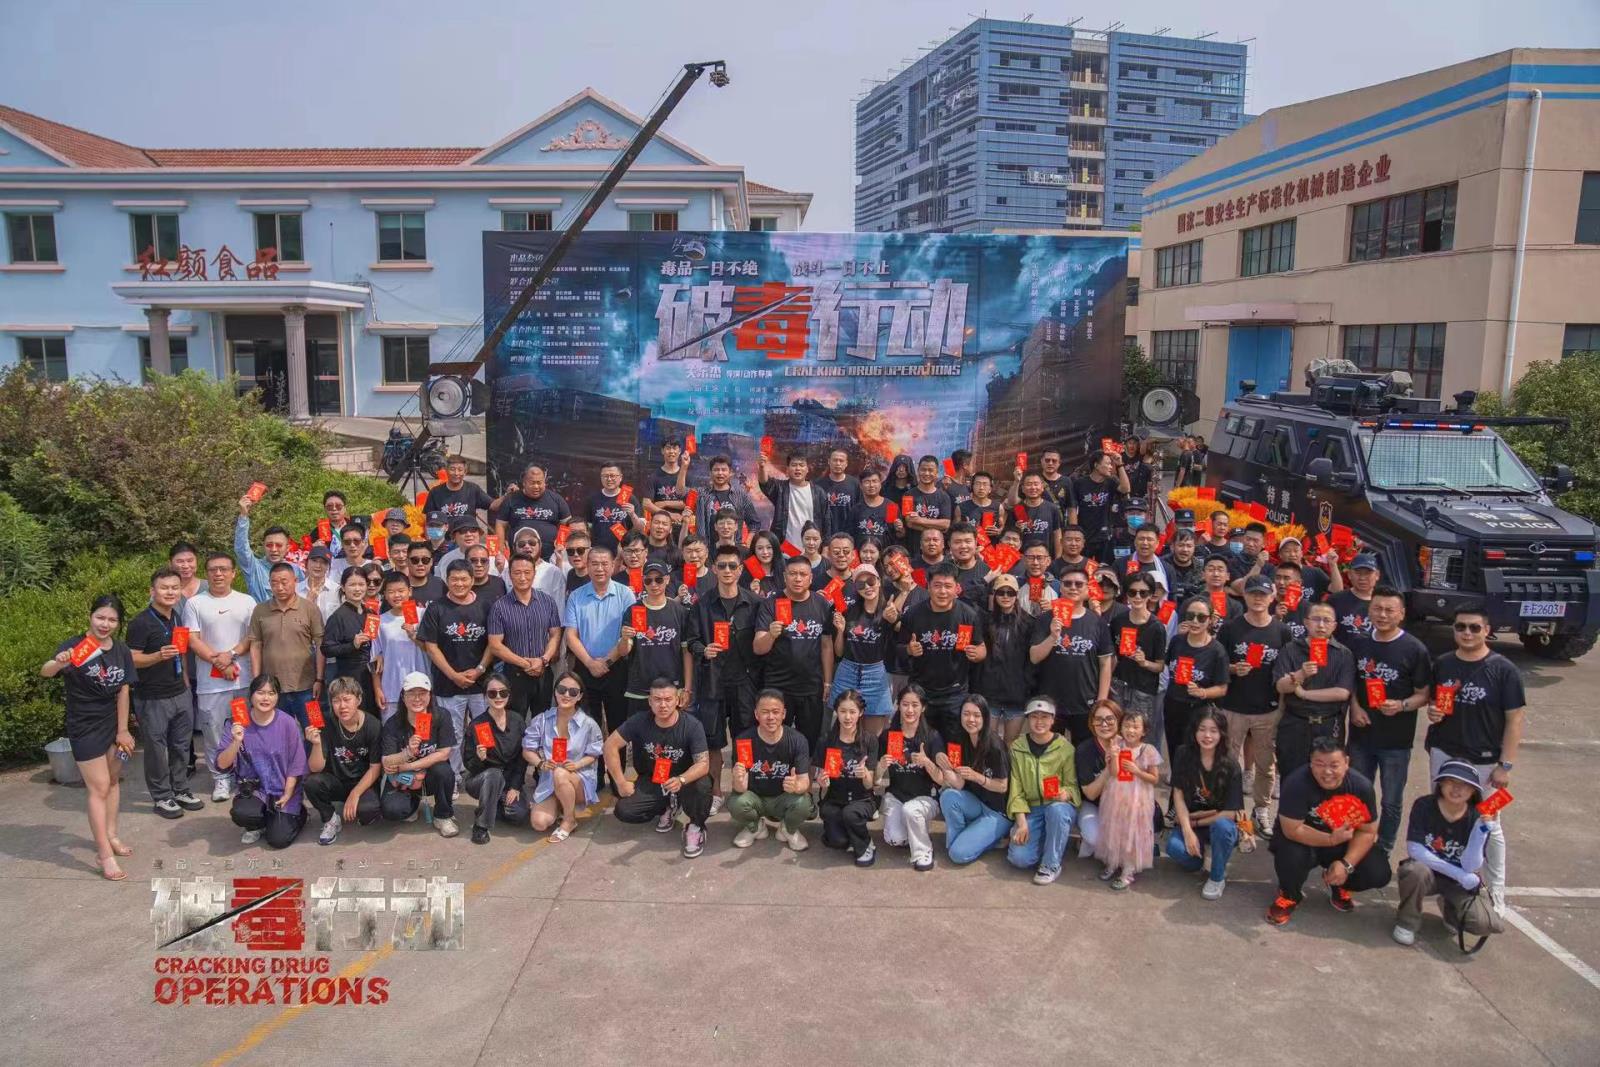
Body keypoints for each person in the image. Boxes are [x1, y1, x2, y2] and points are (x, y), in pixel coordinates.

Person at [1423, 604, 1524, 914]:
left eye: (1474, 627)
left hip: (1486, 762)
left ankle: (1496, 890)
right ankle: (1447, 881)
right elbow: (1436, 703)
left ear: (1487, 630)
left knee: (1489, 824)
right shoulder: (1443, 664)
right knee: (1444, 817)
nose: (1467, 633)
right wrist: (1433, 712)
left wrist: (1505, 765)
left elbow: (1515, 720)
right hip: (1445, 755)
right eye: (1460, 627)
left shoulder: (1504, 670)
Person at [43, 594, 137, 879]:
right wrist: (60, 662)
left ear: (118, 623)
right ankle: (104, 855)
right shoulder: (75, 646)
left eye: (112, 620)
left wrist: (123, 729)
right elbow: (46, 672)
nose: (105, 624)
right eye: (100, 617)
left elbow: (123, 690)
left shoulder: (121, 650)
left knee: (113, 780)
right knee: (98, 787)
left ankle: (111, 835)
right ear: (90, 616)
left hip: (113, 724)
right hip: (84, 725)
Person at [1267, 738, 1392, 926]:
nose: (1327, 772)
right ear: (1310, 763)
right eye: (1319, 764)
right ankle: (1289, 895)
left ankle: (1340, 884)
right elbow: (1292, 830)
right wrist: (1330, 839)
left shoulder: (1361, 787)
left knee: (1378, 872)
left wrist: (1346, 864)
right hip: (1304, 841)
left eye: (1334, 765)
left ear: (1346, 762)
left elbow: (1367, 831)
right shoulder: (1296, 783)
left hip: (1342, 843)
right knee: (1289, 853)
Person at [1347, 586, 1433, 856]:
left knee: (1391, 800)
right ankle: (1354, 844)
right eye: (1377, 609)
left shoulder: (1415, 649)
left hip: (1396, 741)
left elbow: (1424, 694)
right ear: (1369, 610)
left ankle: (1383, 849)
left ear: (1401, 614)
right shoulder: (1359, 644)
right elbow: (1351, 684)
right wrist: (1355, 708)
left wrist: (1401, 705)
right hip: (1360, 736)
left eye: (1389, 610)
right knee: (1357, 795)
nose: (1382, 615)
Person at [686, 543, 763, 813]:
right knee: (713, 740)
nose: (727, 570)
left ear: (741, 570)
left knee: (745, 738)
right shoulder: (702, 604)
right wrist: (703, 650)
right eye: (722, 566)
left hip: (745, 682)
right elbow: (692, 641)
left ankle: (745, 787)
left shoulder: (754, 603)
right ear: (714, 569)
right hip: (712, 681)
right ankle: (716, 790)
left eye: (732, 566)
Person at [1394, 760, 1504, 946]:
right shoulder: (1424, 805)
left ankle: (1450, 909)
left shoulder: (1478, 816)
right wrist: (1459, 874)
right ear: (1441, 783)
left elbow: (1471, 866)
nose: (1456, 789)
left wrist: (1480, 832)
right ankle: (1407, 922)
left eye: (1465, 785)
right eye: (1451, 781)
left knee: (1484, 923)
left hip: (1458, 884)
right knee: (1414, 871)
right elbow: (1415, 849)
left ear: (1473, 791)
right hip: (1428, 874)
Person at [604, 677, 714, 858]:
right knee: (624, 811)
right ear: (650, 701)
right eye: (657, 699)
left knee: (703, 785)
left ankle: (696, 826)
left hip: (685, 781)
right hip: (654, 779)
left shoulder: (692, 725)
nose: (663, 705)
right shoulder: (639, 721)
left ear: (677, 700)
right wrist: (621, 782)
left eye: (668, 699)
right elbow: (610, 745)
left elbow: (703, 764)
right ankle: (667, 806)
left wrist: (681, 779)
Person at [125, 565, 199, 819]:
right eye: (164, 588)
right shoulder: (140, 622)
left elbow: (181, 652)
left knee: (181, 745)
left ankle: (180, 789)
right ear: (152, 591)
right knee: (156, 749)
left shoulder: (177, 617)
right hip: (152, 697)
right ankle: (161, 796)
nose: (170, 592)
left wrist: (186, 682)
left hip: (179, 691)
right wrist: (157, 656)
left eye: (175, 588)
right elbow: (131, 659)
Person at [183, 552, 256, 801]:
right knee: (213, 731)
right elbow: (193, 639)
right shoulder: (195, 603)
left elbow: (252, 636)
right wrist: (218, 661)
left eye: (224, 569)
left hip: (242, 682)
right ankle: (221, 778)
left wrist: (231, 655)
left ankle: (243, 774)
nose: (218, 574)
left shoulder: (246, 601)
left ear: (233, 573)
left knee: (243, 728)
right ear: (207, 573)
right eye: (213, 569)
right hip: (210, 685)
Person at [1218, 574, 1290, 828]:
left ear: (1272, 598)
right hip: (1233, 707)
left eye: (1263, 594)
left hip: (1268, 709)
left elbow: (1286, 669)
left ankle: (1261, 809)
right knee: (1227, 761)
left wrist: (1282, 705)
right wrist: (1233, 669)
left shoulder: (1282, 631)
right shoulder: (1230, 628)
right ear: (1244, 596)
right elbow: (1217, 662)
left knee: (1266, 764)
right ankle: (1227, 807)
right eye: (1253, 593)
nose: (1258, 598)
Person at [418, 559, 493, 779]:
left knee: (484, 730)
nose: (459, 584)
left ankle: (487, 772)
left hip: (481, 683)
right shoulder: (436, 608)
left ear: (472, 580)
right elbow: (431, 647)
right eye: (454, 579)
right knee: (453, 733)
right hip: (447, 684)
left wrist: (480, 669)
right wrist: (453, 675)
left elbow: (494, 642)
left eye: (464, 579)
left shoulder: (486, 606)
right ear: (446, 580)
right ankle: (454, 776)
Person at [563, 544, 636, 771]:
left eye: (605, 564)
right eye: (594, 563)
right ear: (587, 565)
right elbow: (571, 635)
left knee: (617, 725)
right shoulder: (576, 596)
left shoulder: (626, 594)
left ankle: (616, 776)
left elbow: (628, 634)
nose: (600, 568)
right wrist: (590, 663)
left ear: (613, 566)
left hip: (617, 667)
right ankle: (592, 777)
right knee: (588, 725)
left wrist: (606, 661)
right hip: (585, 668)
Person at [753, 554, 836, 748]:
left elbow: (826, 645)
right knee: (776, 739)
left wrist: (827, 681)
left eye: (803, 574)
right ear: (784, 576)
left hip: (811, 685)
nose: (798, 579)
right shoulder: (771, 603)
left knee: (809, 740)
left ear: (811, 578)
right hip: (778, 686)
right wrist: (771, 635)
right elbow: (758, 648)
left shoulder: (821, 603)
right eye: (792, 574)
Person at [217, 674, 308, 849]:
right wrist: (236, 741)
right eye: (260, 692)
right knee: (242, 813)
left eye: (271, 693)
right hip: (255, 790)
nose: (266, 698)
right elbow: (221, 764)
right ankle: (257, 824)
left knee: (278, 840)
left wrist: (288, 793)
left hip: (283, 791)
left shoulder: (288, 723)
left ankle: (298, 814)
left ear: (278, 697)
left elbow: (296, 764)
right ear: (251, 695)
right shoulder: (236, 723)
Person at [1028, 565, 1113, 743]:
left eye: (1079, 584)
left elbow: (1105, 663)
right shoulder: (1045, 619)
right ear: (1061, 587)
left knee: (1084, 751)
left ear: (1087, 588)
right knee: (1050, 752)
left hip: (1085, 701)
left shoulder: (1096, 622)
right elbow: (1034, 657)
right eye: (1067, 583)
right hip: (1050, 702)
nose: (1073, 588)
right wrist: (1053, 637)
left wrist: (1101, 701)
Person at [900, 563, 987, 738]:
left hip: (955, 693)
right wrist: (909, 649)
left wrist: (978, 654)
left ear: (956, 588)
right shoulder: (913, 614)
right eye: (937, 586)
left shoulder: (968, 615)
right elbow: (898, 647)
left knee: (954, 743)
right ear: (928, 587)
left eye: (948, 586)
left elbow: (981, 647)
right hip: (921, 691)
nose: (942, 591)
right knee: (920, 740)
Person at [1166, 709, 1244, 900]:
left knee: (1223, 828)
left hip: (1218, 822)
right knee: (1174, 849)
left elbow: (1231, 813)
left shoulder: (1231, 764)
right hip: (1191, 820)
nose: (1207, 735)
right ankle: (1209, 856)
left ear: (1221, 734)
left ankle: (1217, 877)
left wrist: (1195, 823)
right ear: (1194, 731)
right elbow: (1178, 795)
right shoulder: (1183, 753)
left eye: (1213, 730)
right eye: (1202, 729)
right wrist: (1187, 831)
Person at [1272, 601, 1356, 779]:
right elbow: (1280, 685)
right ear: (1306, 622)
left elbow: (1342, 692)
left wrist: (1304, 694)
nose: (1321, 625)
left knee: (1327, 776)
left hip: (1329, 724)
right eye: (1316, 619)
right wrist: (1300, 674)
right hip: (1295, 723)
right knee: (1291, 776)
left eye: (1327, 620)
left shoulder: (1344, 654)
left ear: (1334, 625)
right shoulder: (1291, 649)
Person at [727, 690, 816, 851]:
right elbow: (739, 788)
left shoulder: (797, 740)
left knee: (804, 803)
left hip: (784, 797)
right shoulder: (744, 740)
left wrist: (797, 786)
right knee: (736, 802)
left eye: (775, 712)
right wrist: (738, 782)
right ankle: (755, 827)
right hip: (756, 797)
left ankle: (788, 829)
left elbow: (804, 780)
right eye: (765, 712)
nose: (770, 717)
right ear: (756, 714)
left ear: (784, 714)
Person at [522, 671, 605, 841]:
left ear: (579, 696)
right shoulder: (542, 720)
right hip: (550, 780)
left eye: (573, 692)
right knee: (539, 823)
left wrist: (577, 764)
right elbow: (527, 750)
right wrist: (540, 763)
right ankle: (561, 803)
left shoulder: (589, 724)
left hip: (580, 779)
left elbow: (594, 754)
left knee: (560, 773)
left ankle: (569, 820)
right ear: (555, 691)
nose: (566, 695)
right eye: (562, 689)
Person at [1005, 696, 1079, 884]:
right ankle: (1049, 838)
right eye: (1034, 716)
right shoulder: (1017, 748)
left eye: (1045, 717)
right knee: (1019, 859)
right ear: (1027, 719)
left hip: (1057, 807)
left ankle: (1051, 864)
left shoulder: (1065, 748)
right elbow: (1016, 790)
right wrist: (1022, 823)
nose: (1039, 722)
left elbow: (1073, 785)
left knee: (1056, 811)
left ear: (1053, 719)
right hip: (1032, 809)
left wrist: (1066, 793)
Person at [301, 676, 382, 845]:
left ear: (358, 699)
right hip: (336, 781)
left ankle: (357, 805)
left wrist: (355, 793)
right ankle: (330, 818)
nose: (342, 706)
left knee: (368, 811)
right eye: (336, 701)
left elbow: (375, 767)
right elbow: (315, 768)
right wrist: (316, 744)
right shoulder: (324, 722)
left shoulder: (373, 725)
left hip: (363, 781)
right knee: (311, 783)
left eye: (347, 699)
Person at [874, 684, 947, 871]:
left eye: (915, 705)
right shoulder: (888, 736)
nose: (910, 710)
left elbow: (942, 780)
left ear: (923, 708)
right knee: (894, 839)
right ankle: (917, 830)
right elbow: (874, 779)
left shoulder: (932, 736)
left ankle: (924, 851)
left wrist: (927, 762)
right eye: (905, 704)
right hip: (897, 795)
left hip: (926, 798)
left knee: (911, 810)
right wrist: (881, 766)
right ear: (898, 706)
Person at [378, 672, 459, 837]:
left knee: (444, 771)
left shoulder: (441, 716)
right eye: (411, 694)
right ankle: (412, 804)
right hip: (404, 779)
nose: (417, 699)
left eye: (422, 693)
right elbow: (387, 761)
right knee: (391, 810)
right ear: (403, 697)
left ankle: (443, 815)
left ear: (430, 695)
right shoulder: (393, 724)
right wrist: (407, 753)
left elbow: (444, 753)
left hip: (430, 775)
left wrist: (410, 766)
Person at [487, 552, 563, 718]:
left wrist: (543, 660)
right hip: (513, 674)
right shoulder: (499, 607)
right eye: (517, 573)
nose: (522, 577)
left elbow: (555, 634)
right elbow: (495, 645)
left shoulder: (548, 601)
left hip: (543, 671)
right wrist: (525, 664)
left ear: (534, 573)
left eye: (527, 572)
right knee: (514, 720)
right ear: (509, 575)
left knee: (543, 719)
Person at [248, 562, 324, 730]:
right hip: (273, 689)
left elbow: (320, 645)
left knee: (315, 729)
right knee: (277, 733)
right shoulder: (260, 610)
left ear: (295, 581)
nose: (280, 587)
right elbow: (255, 645)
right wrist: (257, 680)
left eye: (284, 582)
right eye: (274, 583)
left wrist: (319, 679)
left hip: (307, 687)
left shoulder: (310, 608)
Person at [938, 695, 1012, 865]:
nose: (971, 719)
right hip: (976, 803)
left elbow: (1003, 786)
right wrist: (944, 766)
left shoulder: (995, 745)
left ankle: (993, 836)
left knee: (958, 855)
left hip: (997, 811)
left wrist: (977, 777)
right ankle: (960, 840)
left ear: (985, 718)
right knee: (948, 795)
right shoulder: (959, 739)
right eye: (966, 714)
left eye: (976, 715)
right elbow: (959, 784)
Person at [1092, 709, 1161, 890]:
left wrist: (1137, 771)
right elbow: (1114, 773)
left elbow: (1155, 779)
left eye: (1135, 727)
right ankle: (1112, 863)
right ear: (1121, 728)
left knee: (1133, 832)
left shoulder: (1148, 750)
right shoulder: (1117, 745)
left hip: (1138, 800)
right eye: (1127, 726)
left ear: (1144, 731)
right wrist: (1114, 756)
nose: (1130, 730)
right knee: (1114, 829)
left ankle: (1128, 870)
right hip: (1115, 796)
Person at [1159, 596, 1231, 764]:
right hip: (1173, 705)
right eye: (1190, 616)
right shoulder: (1177, 641)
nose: (1195, 621)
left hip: (1198, 710)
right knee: (1175, 751)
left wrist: (1202, 692)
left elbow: (1222, 688)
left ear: (1211, 620)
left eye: (1201, 617)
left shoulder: (1217, 651)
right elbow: (1166, 664)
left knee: (1195, 755)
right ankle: (1176, 779)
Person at [830, 563, 898, 737]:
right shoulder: (849, 612)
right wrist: (840, 631)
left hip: (875, 673)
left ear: (879, 581)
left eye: (871, 581)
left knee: (873, 734)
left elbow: (898, 633)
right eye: (861, 584)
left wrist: (893, 620)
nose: (867, 587)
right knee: (844, 730)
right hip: (847, 670)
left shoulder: (888, 611)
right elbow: (839, 652)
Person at [619, 560, 693, 713]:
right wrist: (625, 638)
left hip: (671, 689)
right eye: (648, 580)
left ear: (667, 579)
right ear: (643, 581)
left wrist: (687, 688)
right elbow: (624, 651)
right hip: (640, 689)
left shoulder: (679, 611)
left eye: (658, 580)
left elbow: (686, 652)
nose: (653, 584)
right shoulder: (634, 610)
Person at [814, 691, 879, 865]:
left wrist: (865, 774)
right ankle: (850, 833)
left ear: (861, 713)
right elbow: (821, 778)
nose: (847, 717)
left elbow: (869, 784)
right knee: (837, 841)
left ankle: (865, 844)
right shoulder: (826, 740)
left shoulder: (869, 740)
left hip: (862, 799)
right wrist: (822, 781)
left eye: (852, 712)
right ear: (836, 711)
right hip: (835, 798)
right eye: (843, 711)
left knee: (851, 814)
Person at [461, 677, 529, 844]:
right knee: (493, 774)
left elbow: (522, 758)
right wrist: (479, 759)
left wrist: (515, 786)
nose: (498, 697)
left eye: (503, 693)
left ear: (509, 695)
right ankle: (481, 826)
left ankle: (491, 805)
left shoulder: (517, 720)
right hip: (480, 779)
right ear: (485, 696)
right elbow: (468, 764)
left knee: (518, 815)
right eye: (492, 693)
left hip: (509, 780)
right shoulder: (477, 725)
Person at [977, 574, 1032, 744]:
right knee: (989, 744)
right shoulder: (985, 621)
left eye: (1010, 593)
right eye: (1001, 592)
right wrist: (985, 579)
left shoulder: (1028, 622)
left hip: (1017, 694)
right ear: (994, 594)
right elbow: (965, 598)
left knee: (1011, 745)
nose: (1006, 597)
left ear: (1017, 595)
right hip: (989, 692)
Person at [1106, 574, 1166, 727]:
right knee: (1116, 728)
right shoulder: (1118, 621)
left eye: (1143, 593)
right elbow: (1112, 655)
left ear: (1151, 595)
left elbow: (1160, 666)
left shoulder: (1157, 627)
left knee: (1137, 731)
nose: (1137, 597)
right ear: (1126, 594)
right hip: (1118, 684)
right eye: (1132, 592)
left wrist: (1144, 662)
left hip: (1143, 689)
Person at [371, 571, 427, 721]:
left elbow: (433, 649)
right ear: (385, 595)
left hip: (421, 687)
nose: (396, 595)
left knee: (422, 729)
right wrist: (377, 689)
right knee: (392, 729)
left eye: (401, 591)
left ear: (410, 591)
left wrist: (414, 636)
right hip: (392, 688)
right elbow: (374, 659)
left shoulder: (423, 614)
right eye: (391, 592)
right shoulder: (379, 620)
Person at [320, 567, 376, 711]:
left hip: (372, 675)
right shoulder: (338, 616)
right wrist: (352, 645)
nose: (357, 589)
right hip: (350, 676)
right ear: (343, 588)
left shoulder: (371, 613)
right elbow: (326, 648)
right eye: (352, 585)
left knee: (373, 715)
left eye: (361, 584)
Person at [1073, 698, 1121, 859]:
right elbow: (1091, 794)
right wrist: (1108, 769)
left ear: (1119, 720)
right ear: (1092, 723)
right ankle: (1087, 840)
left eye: (1110, 719)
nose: (1104, 724)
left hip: (1121, 804)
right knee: (1095, 837)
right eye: (1098, 720)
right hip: (1093, 804)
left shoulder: (1129, 744)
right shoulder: (1084, 750)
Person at [233, 491, 302, 602]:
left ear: (287, 548)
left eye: (279, 545)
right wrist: (243, 515)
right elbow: (241, 548)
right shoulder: (254, 568)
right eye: (269, 545)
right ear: (263, 546)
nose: (274, 549)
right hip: (261, 612)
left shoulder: (295, 569)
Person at [496, 464, 571, 560]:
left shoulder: (556, 499)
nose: (536, 486)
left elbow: (567, 524)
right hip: (519, 558)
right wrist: (500, 549)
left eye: (539, 483)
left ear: (544, 482)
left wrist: (561, 545)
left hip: (551, 557)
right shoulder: (511, 499)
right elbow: (500, 524)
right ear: (524, 483)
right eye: (532, 483)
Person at [1068, 449, 1131, 558]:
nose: (1111, 467)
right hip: (1085, 535)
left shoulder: (1111, 481)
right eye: (1108, 464)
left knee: (1103, 566)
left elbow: (1126, 489)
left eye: (1111, 464)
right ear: (1096, 465)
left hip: (1104, 536)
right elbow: (1072, 508)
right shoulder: (1079, 483)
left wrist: (1120, 465)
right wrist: (1074, 533)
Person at [760, 451, 828, 549]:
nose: (798, 468)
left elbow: (826, 521)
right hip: (787, 547)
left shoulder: (819, 492)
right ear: (787, 469)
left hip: (811, 547)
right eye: (794, 465)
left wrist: (825, 547)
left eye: (801, 465)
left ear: (807, 469)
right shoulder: (780, 488)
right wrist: (762, 467)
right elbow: (765, 483)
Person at [690, 454, 761, 538]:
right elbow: (680, 492)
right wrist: (684, 467)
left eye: (724, 470)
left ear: (730, 473)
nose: (720, 473)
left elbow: (754, 523)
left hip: (734, 545)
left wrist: (747, 543)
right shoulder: (702, 494)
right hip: (707, 545)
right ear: (710, 473)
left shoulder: (740, 495)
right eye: (716, 470)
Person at [584, 462, 643, 557]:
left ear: (620, 477)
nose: (609, 479)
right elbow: (587, 527)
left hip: (624, 551)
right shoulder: (592, 499)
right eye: (605, 476)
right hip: (598, 552)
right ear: (601, 477)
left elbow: (640, 529)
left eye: (612, 476)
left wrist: (633, 515)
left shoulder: (630, 498)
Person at [426, 454, 493, 527]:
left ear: (465, 472)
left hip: (467, 532)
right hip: (445, 533)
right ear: (446, 470)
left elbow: (492, 505)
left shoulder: (473, 489)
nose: (456, 473)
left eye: (460, 470)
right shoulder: (435, 492)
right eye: (452, 469)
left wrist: (503, 497)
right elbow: (429, 522)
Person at [900, 455, 955, 544]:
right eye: (923, 470)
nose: (926, 473)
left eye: (930, 470)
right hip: (914, 546)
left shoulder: (944, 497)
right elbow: (910, 522)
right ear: (918, 471)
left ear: (936, 473)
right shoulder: (908, 495)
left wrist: (920, 520)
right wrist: (938, 526)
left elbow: (946, 524)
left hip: (936, 546)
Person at [1329, 553, 1380, 647]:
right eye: (1358, 573)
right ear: (1349, 574)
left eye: (1367, 573)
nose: (1362, 578)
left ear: (1377, 575)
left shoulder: (1384, 602)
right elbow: (1321, 631)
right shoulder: (1336, 600)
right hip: (1341, 654)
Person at [642, 437, 691, 527]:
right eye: (668, 448)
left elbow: (689, 503)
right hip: (660, 525)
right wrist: (669, 515)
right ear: (662, 451)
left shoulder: (686, 475)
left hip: (682, 524)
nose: (671, 451)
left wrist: (665, 503)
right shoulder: (654, 476)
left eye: (674, 448)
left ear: (680, 451)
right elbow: (646, 503)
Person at [850, 466, 903, 546]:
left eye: (874, 481)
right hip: (863, 552)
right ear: (861, 486)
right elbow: (850, 536)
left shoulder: (891, 507)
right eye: (867, 482)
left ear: (880, 484)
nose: (871, 485)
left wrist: (900, 529)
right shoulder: (856, 509)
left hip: (885, 552)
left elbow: (899, 535)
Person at [818, 448, 862, 539]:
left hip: (849, 535)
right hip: (825, 535)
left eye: (841, 461)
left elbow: (859, 510)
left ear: (846, 463)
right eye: (835, 460)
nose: (838, 463)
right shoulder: (819, 485)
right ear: (829, 461)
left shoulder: (855, 484)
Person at [298, 546, 341, 621]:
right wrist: (308, 602)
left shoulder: (336, 590)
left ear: (328, 567)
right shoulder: (296, 589)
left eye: (323, 562)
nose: (318, 566)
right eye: (314, 561)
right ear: (306, 563)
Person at [403, 541, 447, 611]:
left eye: (425, 560)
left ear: (431, 562)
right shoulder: (399, 589)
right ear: (407, 561)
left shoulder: (440, 584)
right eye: (415, 560)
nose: (420, 564)